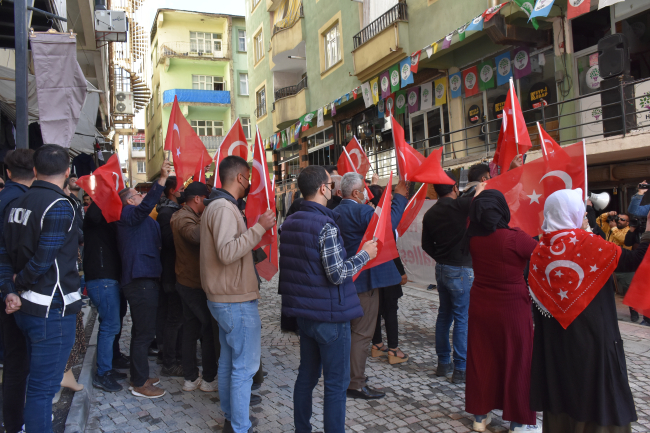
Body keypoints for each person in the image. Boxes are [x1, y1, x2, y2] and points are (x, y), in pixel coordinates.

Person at [529, 188, 650, 433]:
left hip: (556, 346)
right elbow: (632, 260)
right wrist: (647, 235)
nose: (585, 215)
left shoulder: (540, 249)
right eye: (581, 211)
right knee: (598, 394)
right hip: (594, 342)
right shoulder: (591, 245)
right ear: (570, 213)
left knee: (563, 393)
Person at [279, 165, 376, 432]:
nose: (332, 188)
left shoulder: (289, 222)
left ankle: (302, 429)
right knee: (335, 384)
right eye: (330, 184)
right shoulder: (325, 225)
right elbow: (338, 273)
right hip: (330, 316)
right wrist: (365, 254)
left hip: (304, 313)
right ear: (323, 188)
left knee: (306, 376)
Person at [0, 144, 83, 433]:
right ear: (68, 171)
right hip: (51, 309)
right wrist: (16, 283)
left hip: (22, 306)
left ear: (35, 170)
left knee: (27, 380)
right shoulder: (60, 205)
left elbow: (4, 254)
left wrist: (10, 290)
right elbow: (43, 261)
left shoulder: (14, 203)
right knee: (41, 392)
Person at [201, 155, 275, 433]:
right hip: (233, 299)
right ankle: (239, 426)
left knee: (230, 362)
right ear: (240, 177)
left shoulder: (220, 206)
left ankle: (233, 419)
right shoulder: (222, 208)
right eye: (248, 177)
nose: (250, 184)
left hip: (226, 297)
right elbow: (227, 252)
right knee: (243, 368)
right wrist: (259, 227)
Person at [463, 188, 540, 433]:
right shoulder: (515, 237)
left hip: (480, 304)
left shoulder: (472, 237)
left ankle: (479, 416)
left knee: (481, 357)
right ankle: (519, 421)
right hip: (513, 307)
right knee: (518, 359)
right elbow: (543, 254)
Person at [334, 172, 408, 399]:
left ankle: (345, 376)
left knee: (347, 332)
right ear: (356, 193)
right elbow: (387, 226)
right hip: (364, 282)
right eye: (364, 189)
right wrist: (400, 198)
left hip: (343, 280)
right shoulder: (363, 211)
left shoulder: (334, 212)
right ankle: (354, 383)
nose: (367, 193)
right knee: (362, 333)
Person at [116, 159, 171, 399]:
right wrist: (161, 180)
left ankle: (140, 374)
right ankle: (139, 383)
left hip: (146, 278)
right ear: (130, 200)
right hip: (140, 280)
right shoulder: (129, 212)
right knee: (144, 334)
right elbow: (145, 205)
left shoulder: (140, 217)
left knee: (142, 331)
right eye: (138, 194)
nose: (142, 196)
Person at [421, 173, 474, 383]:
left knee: (444, 315)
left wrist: (441, 257)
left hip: (441, 269)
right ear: (454, 188)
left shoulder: (430, 213)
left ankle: (444, 363)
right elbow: (479, 196)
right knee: (461, 317)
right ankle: (460, 367)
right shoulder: (460, 206)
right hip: (460, 269)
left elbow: (426, 245)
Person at [170, 181, 219, 392]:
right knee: (205, 330)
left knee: (191, 329)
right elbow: (194, 236)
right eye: (205, 201)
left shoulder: (187, 215)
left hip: (188, 281)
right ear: (197, 199)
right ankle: (207, 378)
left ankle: (191, 377)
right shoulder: (183, 217)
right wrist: (211, 216)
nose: (207, 205)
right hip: (193, 284)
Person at [0, 149, 34, 433]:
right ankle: (16, 422)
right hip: (14, 290)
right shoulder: (22, 202)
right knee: (18, 359)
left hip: (9, 287)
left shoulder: (5, 197)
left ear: (8, 173)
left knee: (15, 358)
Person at [84, 199, 127, 393]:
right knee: (109, 326)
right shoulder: (94, 219)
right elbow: (93, 213)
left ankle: (109, 364)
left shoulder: (105, 223)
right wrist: (104, 192)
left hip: (108, 278)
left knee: (112, 324)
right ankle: (103, 373)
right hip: (102, 279)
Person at [156, 176, 185, 377]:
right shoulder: (167, 213)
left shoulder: (173, 211)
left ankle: (177, 355)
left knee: (178, 317)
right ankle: (169, 361)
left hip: (175, 272)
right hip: (171, 272)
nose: (184, 191)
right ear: (173, 191)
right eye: (182, 188)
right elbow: (167, 241)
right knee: (173, 318)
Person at [371, 256, 408, 364]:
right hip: (387, 269)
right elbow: (391, 251)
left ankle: (377, 343)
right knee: (390, 309)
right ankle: (393, 349)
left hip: (373, 268)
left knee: (376, 305)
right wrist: (401, 272)